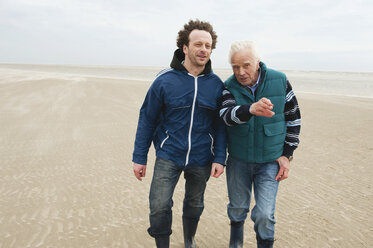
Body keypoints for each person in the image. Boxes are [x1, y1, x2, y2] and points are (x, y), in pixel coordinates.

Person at [132, 19, 226, 248]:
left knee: (195, 204)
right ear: (185, 47)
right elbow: (147, 118)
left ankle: (189, 240)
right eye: (198, 44)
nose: (204, 49)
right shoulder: (164, 81)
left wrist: (220, 157)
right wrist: (139, 157)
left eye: (208, 45)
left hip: (201, 156)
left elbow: (221, 125)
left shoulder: (216, 85)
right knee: (159, 205)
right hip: (169, 154)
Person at [219, 41, 301, 248]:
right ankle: (235, 243)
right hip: (238, 160)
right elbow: (226, 115)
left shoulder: (280, 81)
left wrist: (287, 155)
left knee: (265, 214)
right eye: (235, 67)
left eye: (246, 65)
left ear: (258, 63)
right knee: (237, 208)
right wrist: (250, 109)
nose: (241, 72)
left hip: (270, 162)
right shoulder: (228, 85)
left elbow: (293, 119)